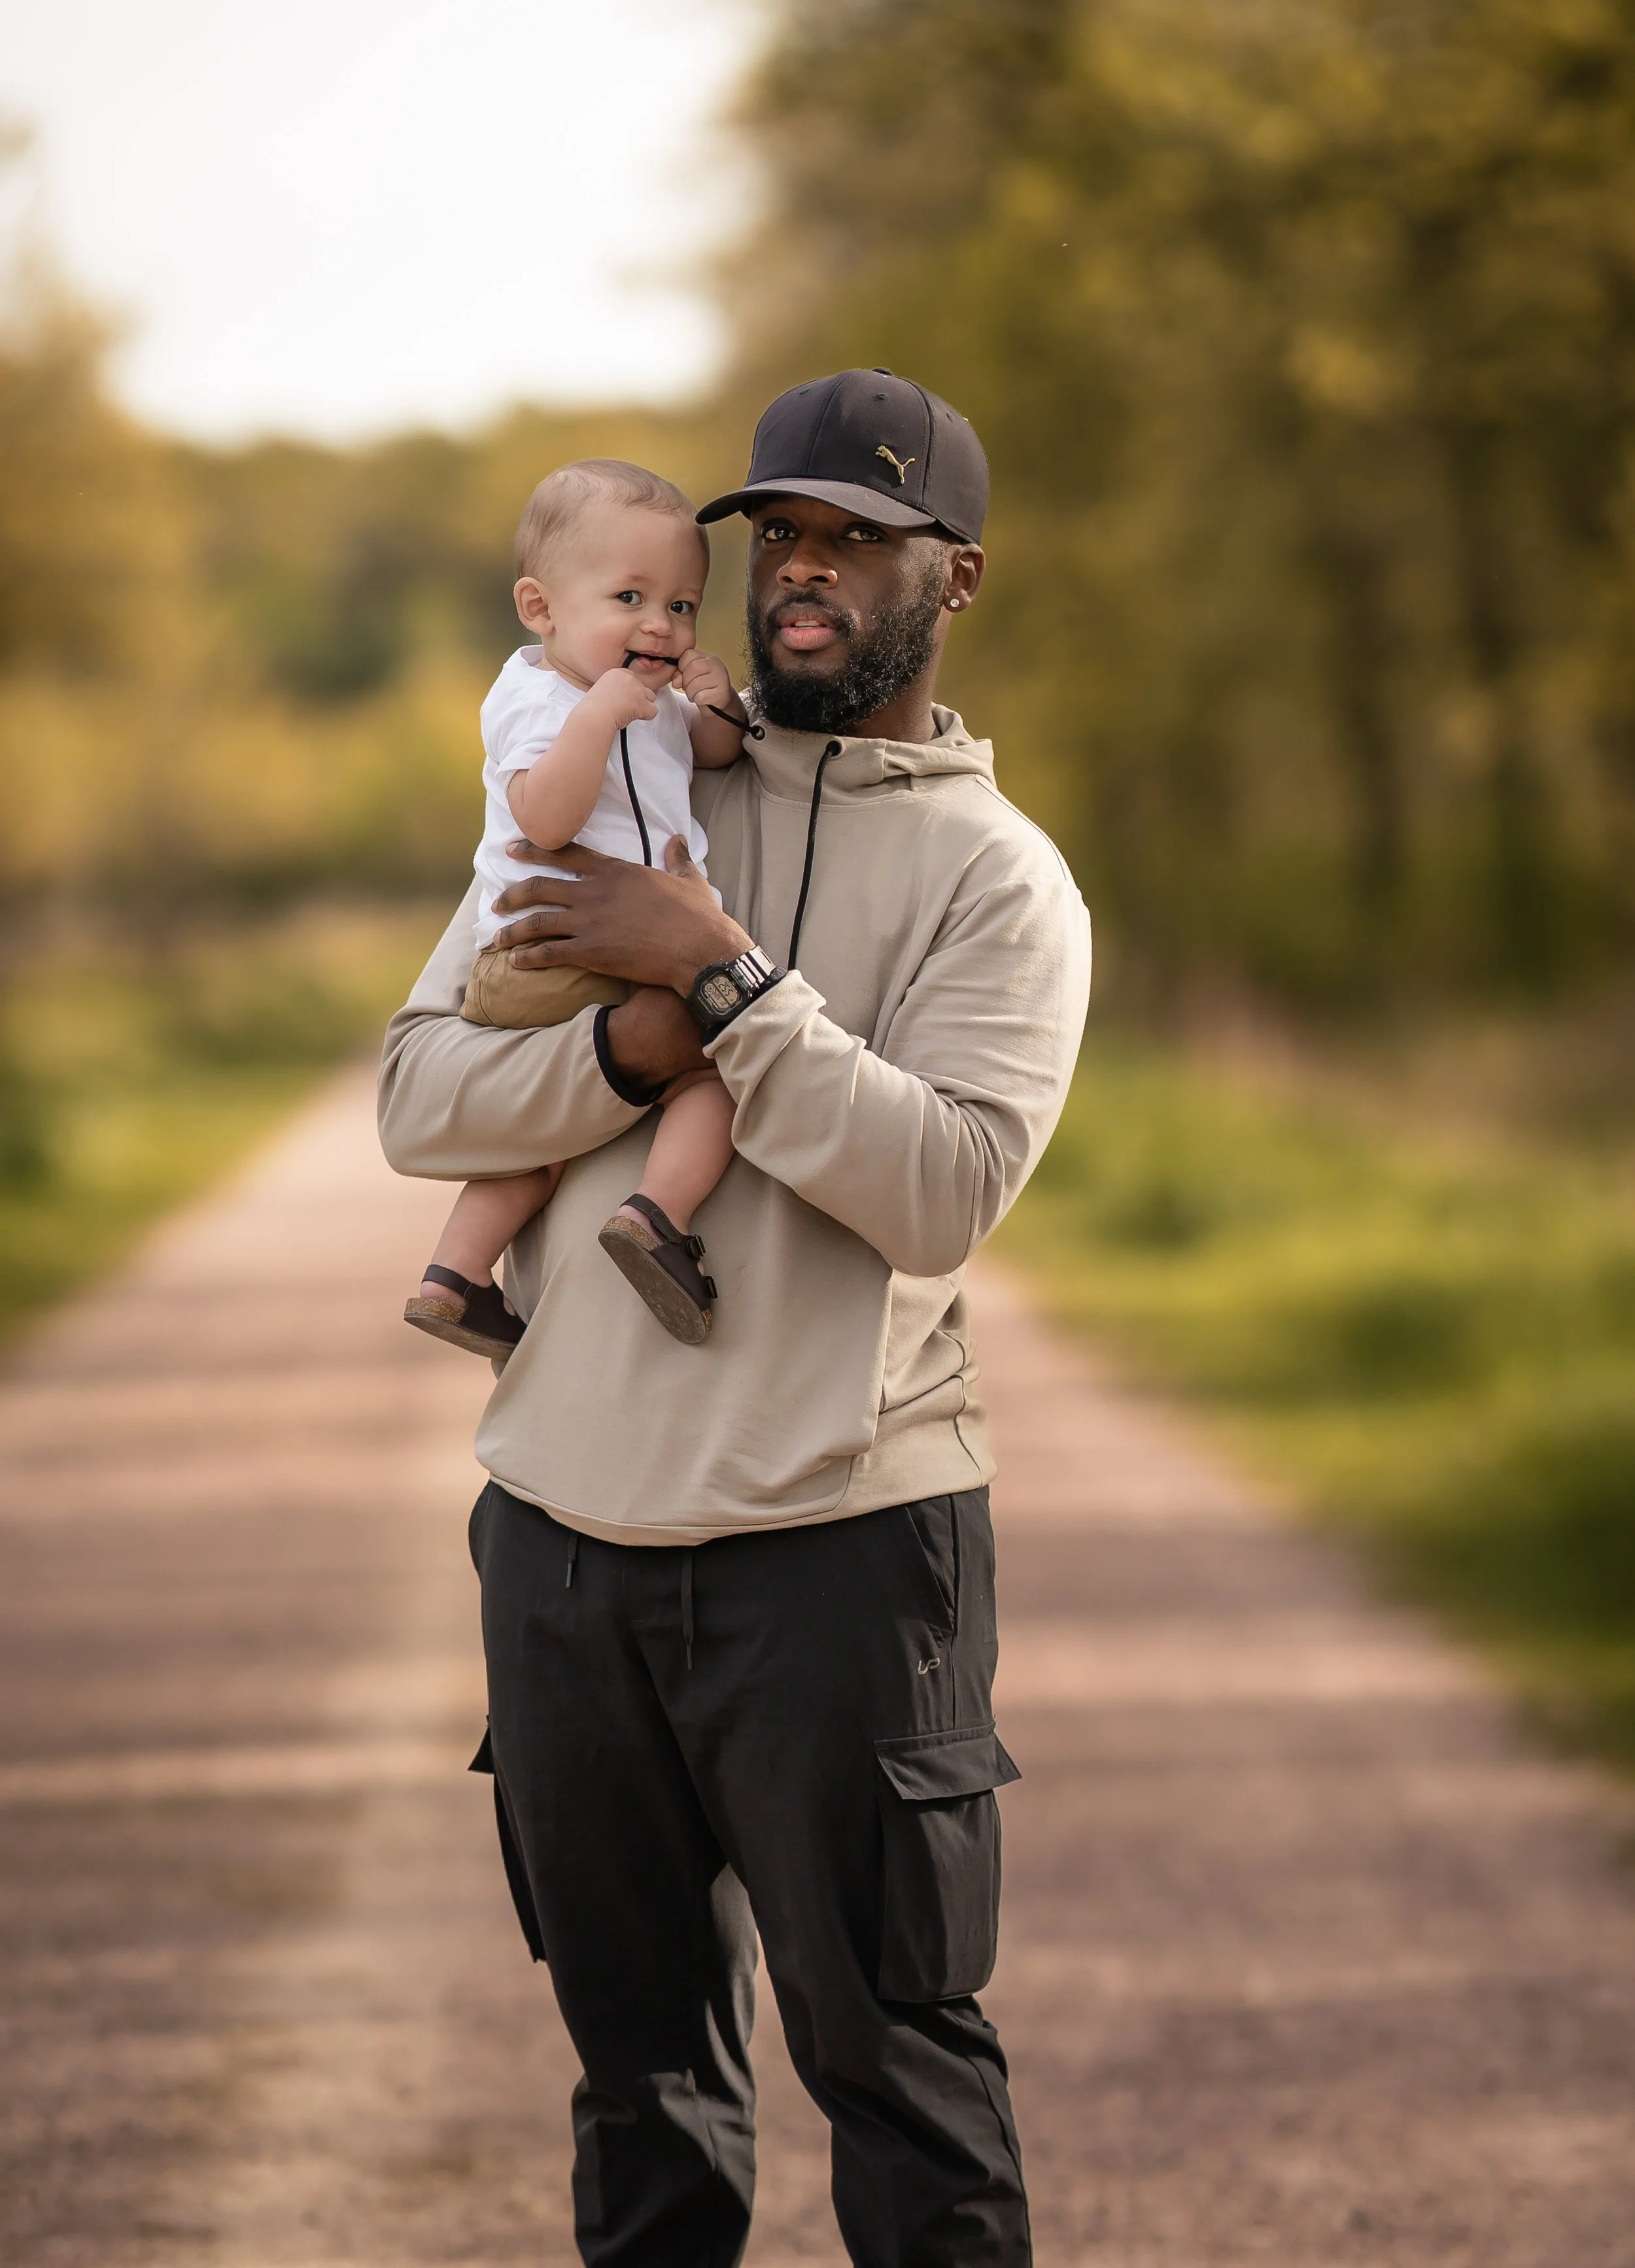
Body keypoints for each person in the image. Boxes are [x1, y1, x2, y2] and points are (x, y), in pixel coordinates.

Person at [379, 368, 1092, 2268]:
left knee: (895, 2066)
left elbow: (941, 1188)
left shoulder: (997, 883)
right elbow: (420, 1102)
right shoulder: (631, 778)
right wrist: (631, 1036)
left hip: (841, 1547)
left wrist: (728, 986)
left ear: (956, 579)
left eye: (855, 542)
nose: (802, 575)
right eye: (778, 537)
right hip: (560, 1544)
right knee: (640, 2085)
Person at [403, 459, 747, 1359]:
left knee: (543, 1141)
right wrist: (598, 716)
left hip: (598, 956)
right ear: (540, 608)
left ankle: (456, 1279)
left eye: (681, 605)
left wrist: (718, 705)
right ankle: (657, 1218)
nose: (659, 624)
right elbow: (546, 817)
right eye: (629, 595)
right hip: (551, 953)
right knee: (715, 1072)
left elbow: (710, 755)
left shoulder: (655, 697)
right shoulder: (539, 697)